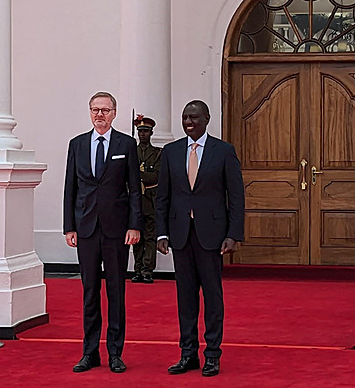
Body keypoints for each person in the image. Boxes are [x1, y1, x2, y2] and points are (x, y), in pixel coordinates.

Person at [156, 100, 244, 377]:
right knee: (185, 298)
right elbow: (163, 198)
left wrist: (233, 234)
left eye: (194, 117)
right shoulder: (170, 152)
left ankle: (213, 354)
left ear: (206, 118)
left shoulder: (224, 151)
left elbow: (236, 196)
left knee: (213, 296)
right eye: (184, 117)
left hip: (212, 236)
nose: (188, 122)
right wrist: (161, 232)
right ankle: (188, 353)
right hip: (180, 235)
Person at [63, 91, 142, 374]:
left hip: (117, 230)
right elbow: (70, 187)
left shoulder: (127, 144)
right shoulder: (77, 144)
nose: (100, 115)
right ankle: (90, 352)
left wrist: (135, 225)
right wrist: (68, 226)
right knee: (89, 292)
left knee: (116, 291)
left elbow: (135, 189)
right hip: (85, 229)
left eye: (105, 110)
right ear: (89, 112)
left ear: (114, 113)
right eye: (95, 110)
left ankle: (116, 353)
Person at [131, 115, 161, 284]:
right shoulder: (131, 151)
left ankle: (148, 270)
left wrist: (137, 175)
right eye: (140, 131)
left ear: (151, 133)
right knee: (137, 237)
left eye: (146, 132)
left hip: (150, 199)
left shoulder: (157, 154)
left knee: (150, 236)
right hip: (135, 200)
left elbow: (156, 176)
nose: (143, 134)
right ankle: (137, 269)